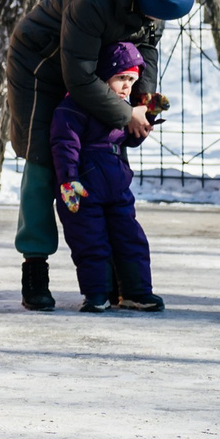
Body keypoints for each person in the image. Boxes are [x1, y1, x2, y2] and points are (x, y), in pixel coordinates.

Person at [3, 0, 194, 311]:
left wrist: (141, 102)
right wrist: (126, 115)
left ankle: (117, 279)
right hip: (41, 67)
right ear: (139, 1)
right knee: (45, 162)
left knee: (104, 153)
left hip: (100, 70)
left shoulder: (156, 0)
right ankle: (35, 267)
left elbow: (147, 51)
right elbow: (77, 77)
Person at [52, 44, 161, 314]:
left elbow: (124, 140)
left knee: (130, 238)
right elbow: (64, 145)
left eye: (132, 80)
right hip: (84, 189)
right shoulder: (73, 107)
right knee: (91, 242)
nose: (127, 87)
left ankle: (136, 292)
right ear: (103, 77)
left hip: (117, 187)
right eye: (121, 78)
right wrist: (68, 181)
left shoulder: (123, 109)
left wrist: (145, 121)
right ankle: (97, 293)